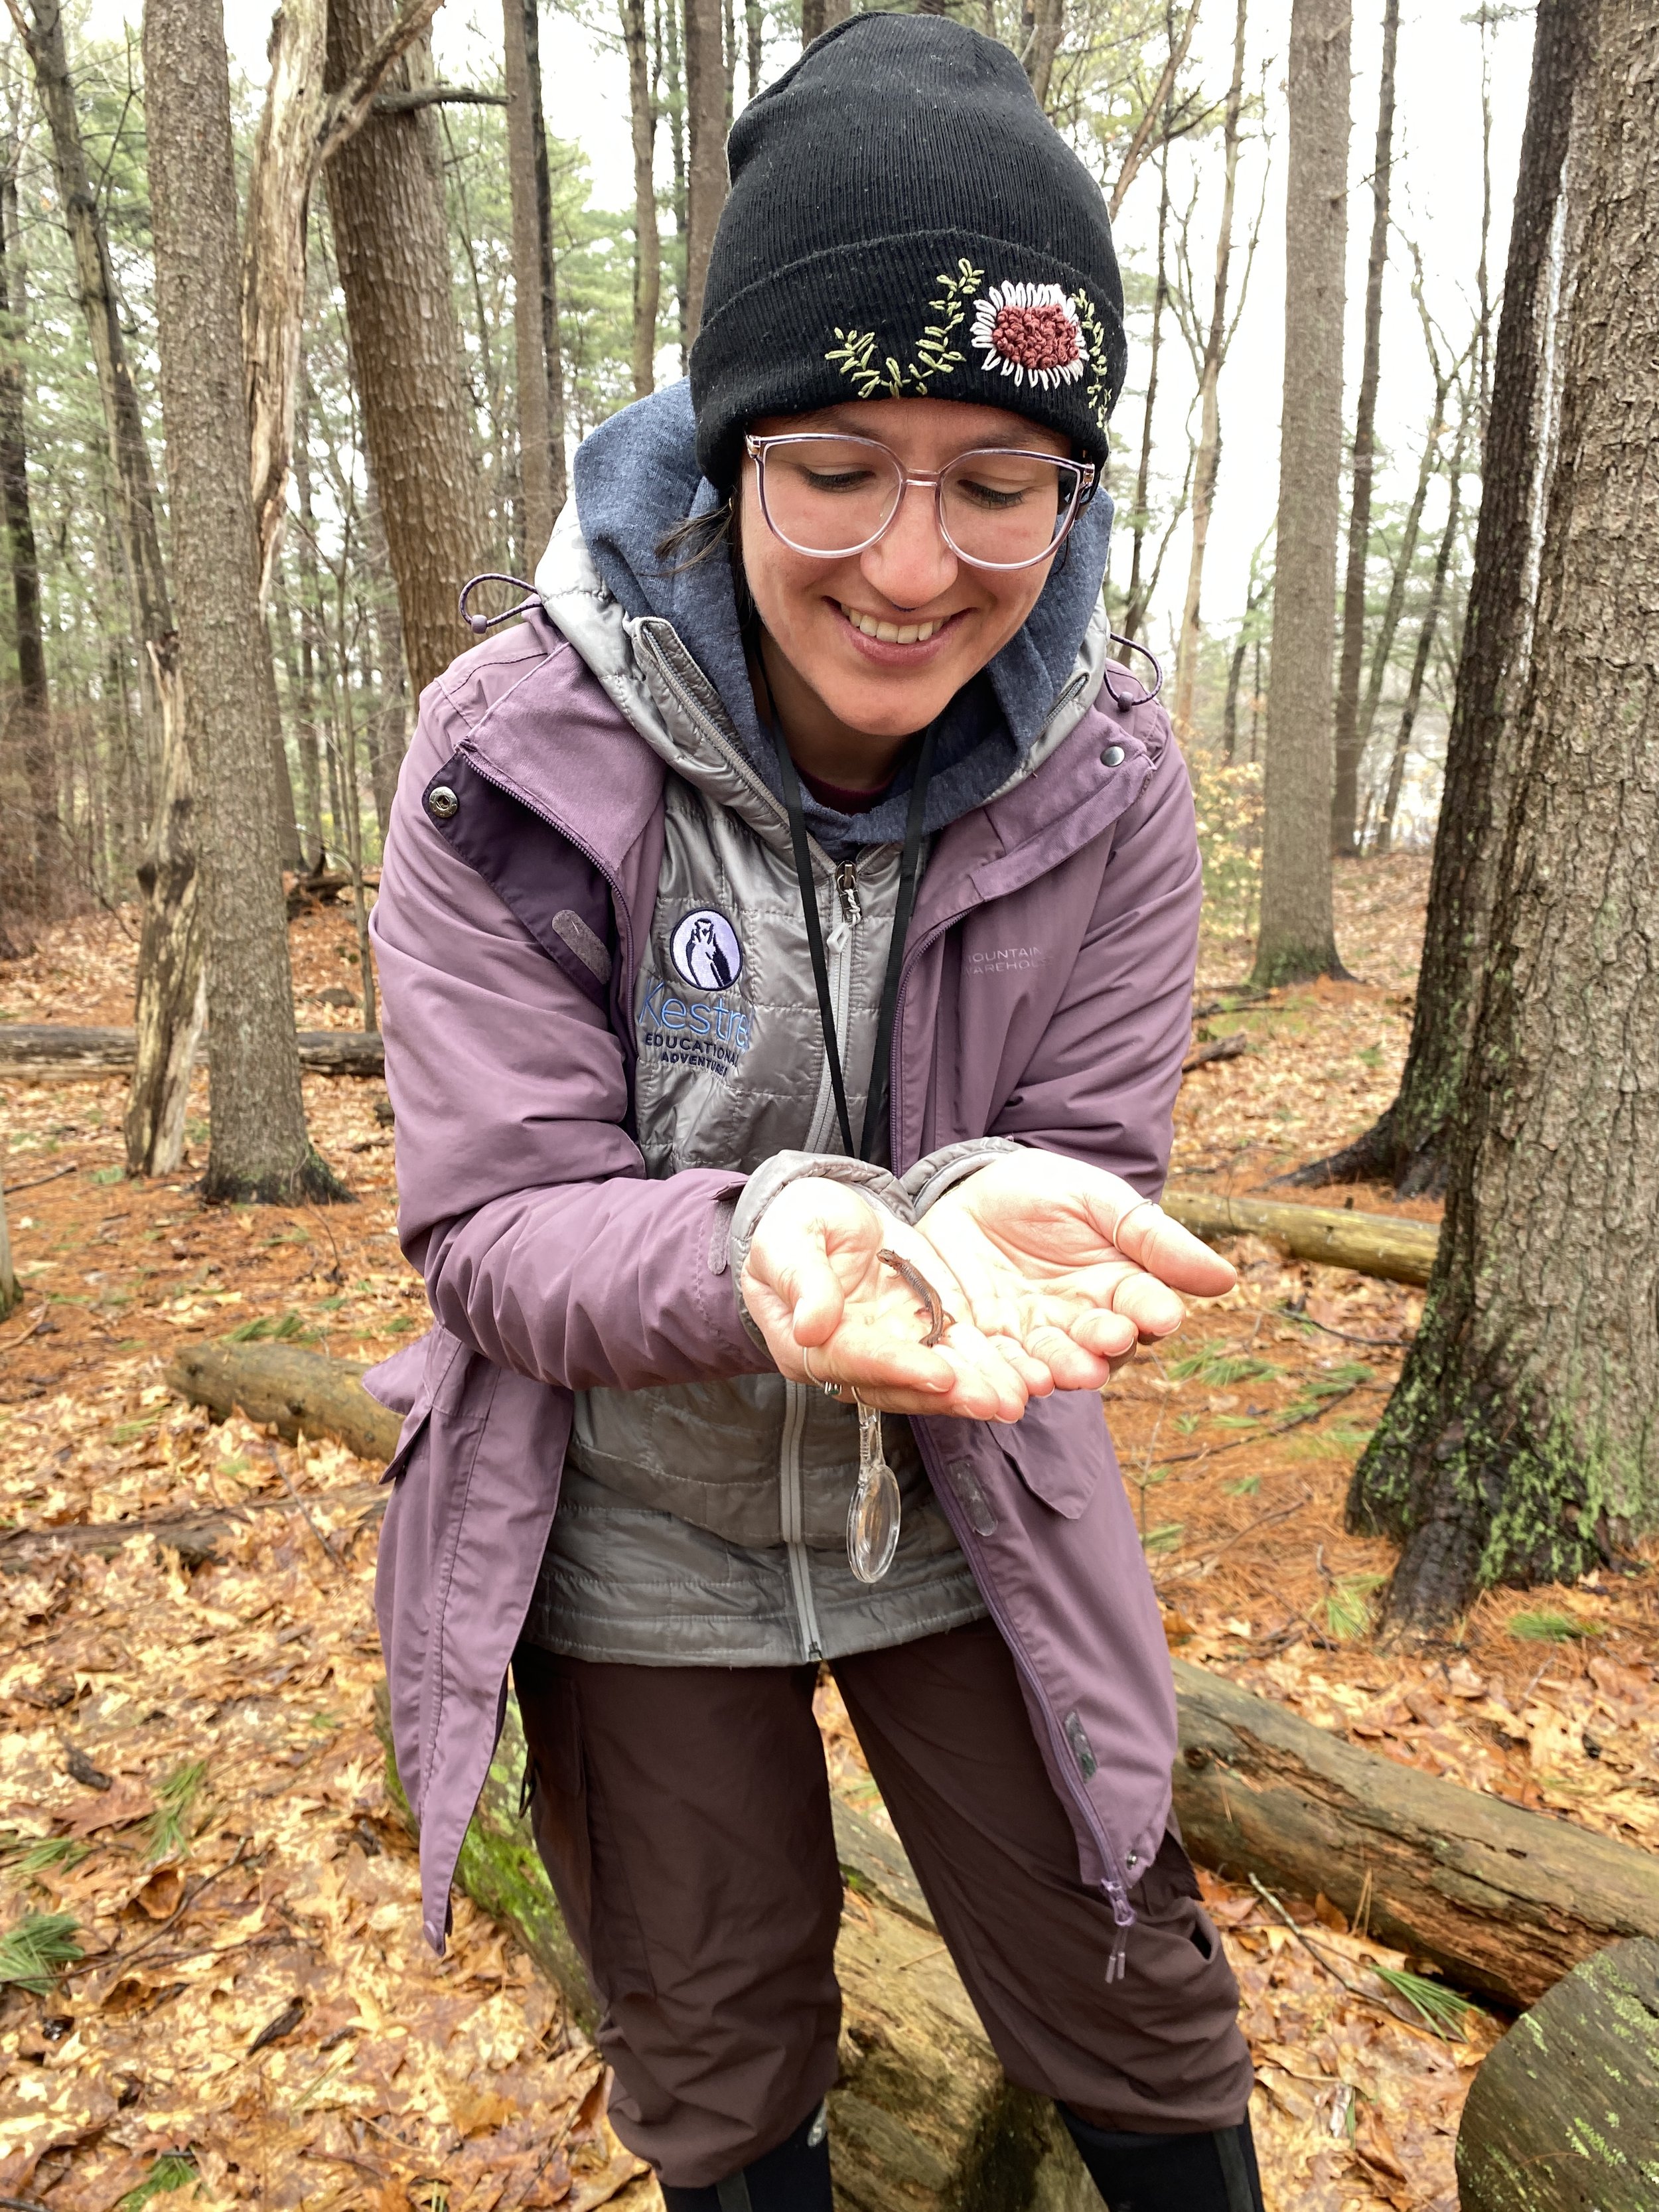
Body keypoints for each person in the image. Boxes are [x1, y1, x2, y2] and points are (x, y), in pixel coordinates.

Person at [367, 15, 1263, 2209]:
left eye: (997, 482)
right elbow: (491, 1223)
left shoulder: (1113, 779)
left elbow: (1080, 1150)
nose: (912, 564)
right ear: (725, 450)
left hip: (969, 1495)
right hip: (632, 1530)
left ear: (1072, 492)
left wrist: (995, 1204)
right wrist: (749, 1243)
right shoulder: (508, 757)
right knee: (713, 2047)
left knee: (1134, 1987)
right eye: (838, 466)